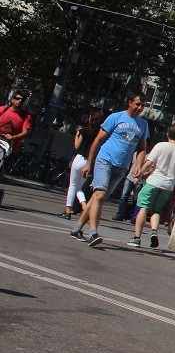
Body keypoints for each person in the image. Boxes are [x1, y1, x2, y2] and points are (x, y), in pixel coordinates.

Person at [70, 93, 150, 247]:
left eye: (142, 105)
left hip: (122, 167)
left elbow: (141, 148)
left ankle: (77, 228)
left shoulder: (143, 125)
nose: (140, 108)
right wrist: (89, 163)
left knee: (97, 198)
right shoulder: (116, 117)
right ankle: (93, 233)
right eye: (137, 104)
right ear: (130, 103)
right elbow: (98, 140)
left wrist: (139, 165)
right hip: (105, 159)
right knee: (99, 195)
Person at [128, 124, 175, 248]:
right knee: (156, 210)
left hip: (154, 181)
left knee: (144, 208)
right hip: (168, 185)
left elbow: (149, 163)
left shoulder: (160, 146)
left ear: (167, 134)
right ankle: (154, 231)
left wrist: (139, 175)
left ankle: (137, 238)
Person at [61, 111, 102, 219]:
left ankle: (68, 210)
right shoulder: (99, 134)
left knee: (73, 185)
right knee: (79, 187)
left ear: (90, 119)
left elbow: (77, 146)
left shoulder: (84, 131)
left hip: (79, 159)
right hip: (89, 161)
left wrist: (76, 136)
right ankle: (84, 206)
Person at [0, 91, 33, 169]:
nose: (20, 100)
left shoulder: (26, 116)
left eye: (22, 99)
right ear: (12, 100)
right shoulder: (3, 109)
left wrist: (13, 137)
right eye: (17, 98)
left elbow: (25, 132)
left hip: (8, 145)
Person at [113, 156, 143, 221]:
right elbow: (133, 163)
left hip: (140, 179)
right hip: (130, 177)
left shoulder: (149, 155)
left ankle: (132, 216)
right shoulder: (136, 153)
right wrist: (129, 173)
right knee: (124, 196)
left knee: (136, 199)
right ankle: (120, 214)